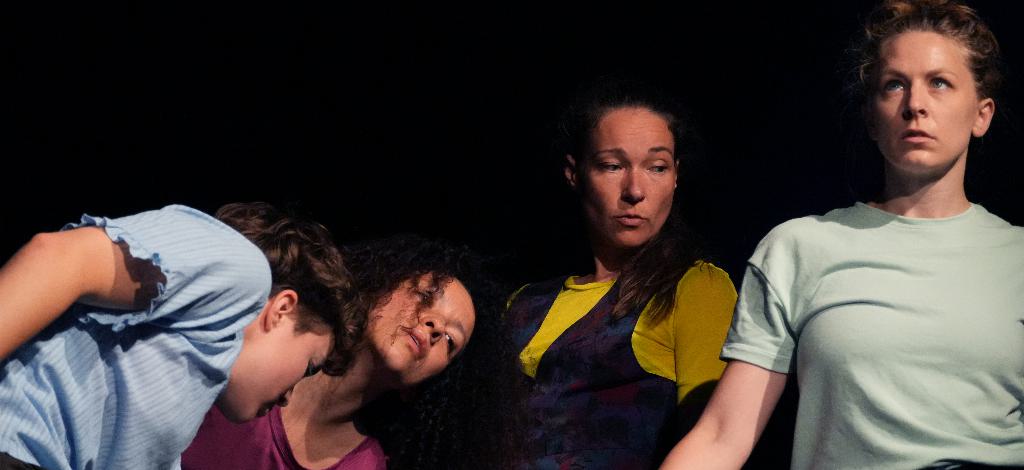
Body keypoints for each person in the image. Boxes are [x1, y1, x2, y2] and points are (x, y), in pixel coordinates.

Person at [661, 1, 1024, 468]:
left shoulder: (1016, 258)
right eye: (895, 84)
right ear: (872, 118)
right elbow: (722, 436)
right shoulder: (800, 247)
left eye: (939, 83)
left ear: (981, 114)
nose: (915, 105)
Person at [0, 203, 361, 470]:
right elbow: (63, 258)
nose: (288, 397)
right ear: (281, 309)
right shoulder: (243, 274)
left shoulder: (182, 413)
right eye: (309, 366)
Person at [505, 78, 737, 468]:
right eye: (612, 166)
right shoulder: (523, 302)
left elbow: (714, 439)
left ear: (676, 177)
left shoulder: (695, 287)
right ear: (574, 173)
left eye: (657, 167)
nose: (634, 190)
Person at [183, 234, 523, 470]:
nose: (435, 327)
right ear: (378, 286)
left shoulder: (366, 466)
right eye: (425, 296)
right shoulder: (249, 345)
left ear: (421, 387)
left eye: (450, 340)